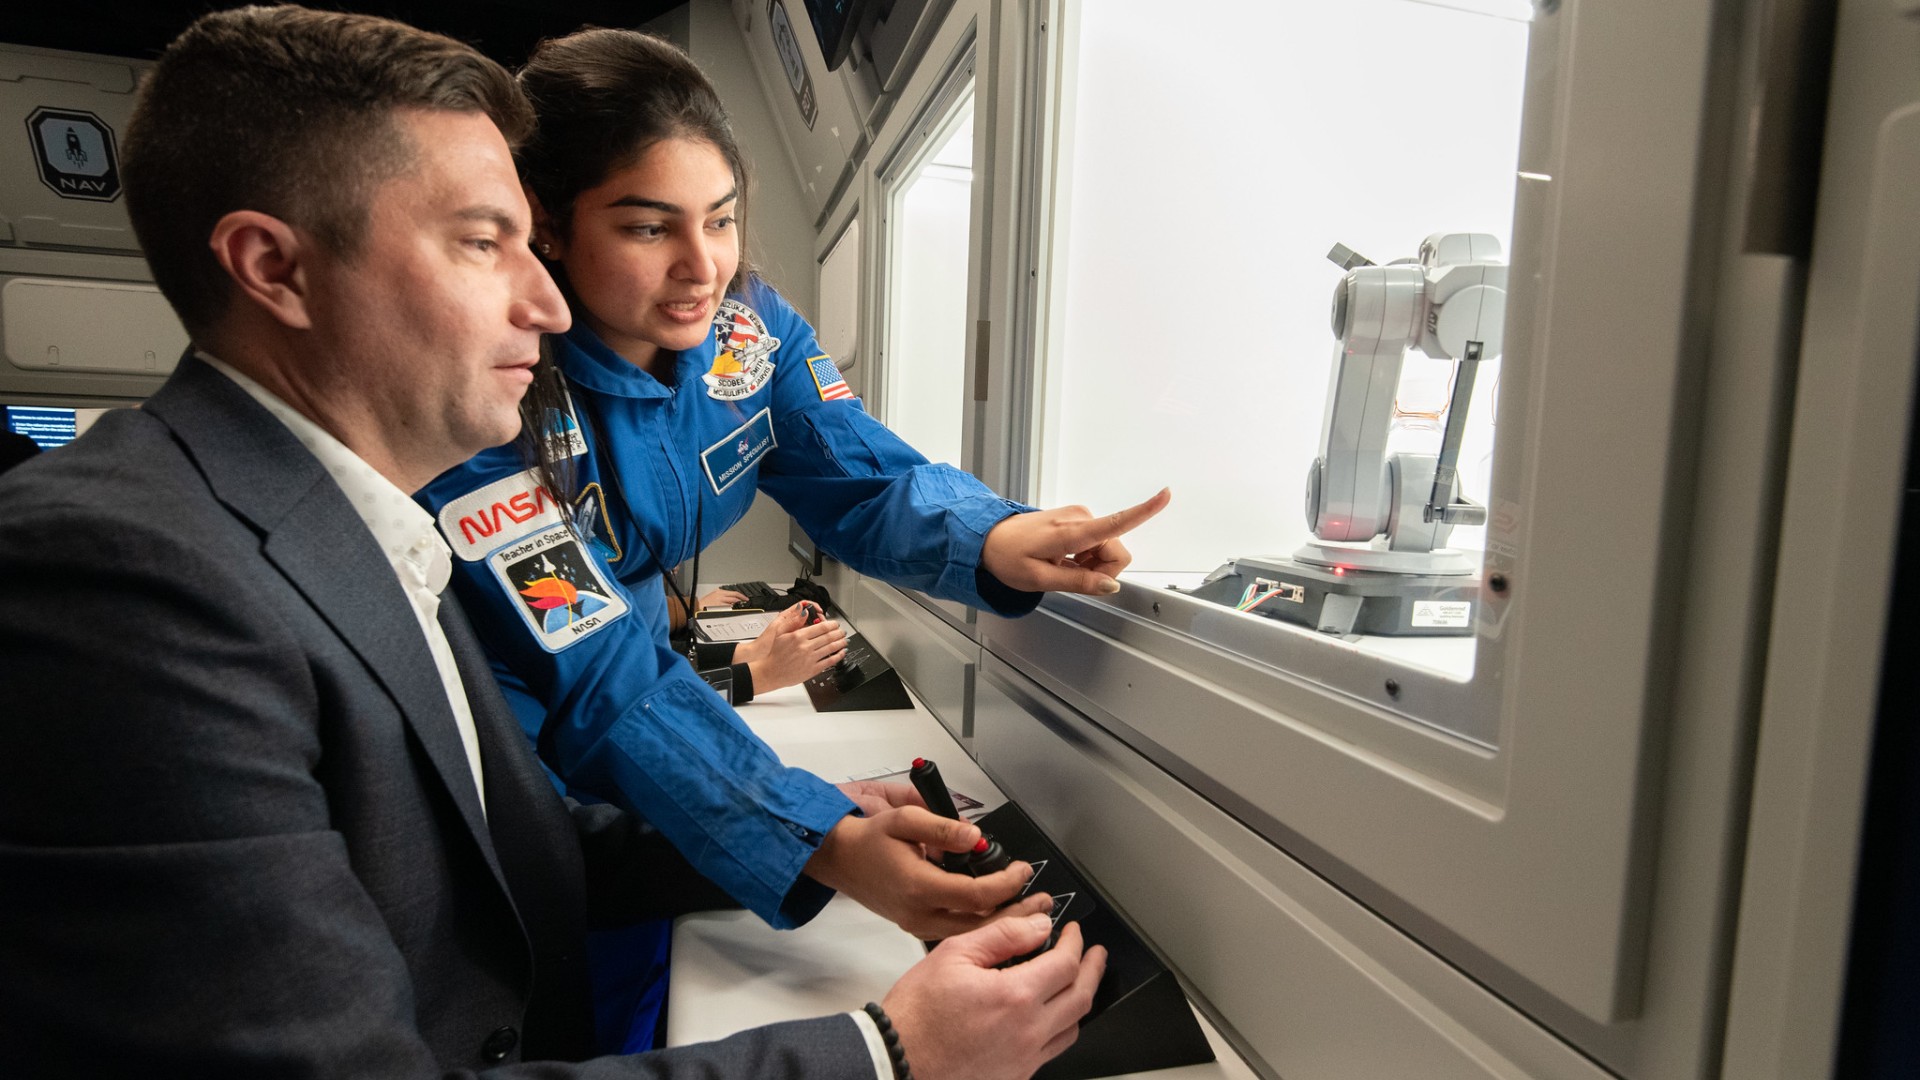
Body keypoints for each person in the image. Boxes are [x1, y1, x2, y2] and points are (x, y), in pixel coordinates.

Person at [0, 7, 1102, 1078]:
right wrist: (887, 1053)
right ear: (274, 268)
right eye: (489, 243)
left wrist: (818, 823)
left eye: (719, 220)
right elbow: (593, 687)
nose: (547, 301)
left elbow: (492, 844)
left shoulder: (355, 527)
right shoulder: (125, 585)